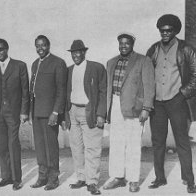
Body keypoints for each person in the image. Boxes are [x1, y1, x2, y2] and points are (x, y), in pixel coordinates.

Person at [146, 14, 196, 194]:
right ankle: (160, 178)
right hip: (157, 104)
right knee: (158, 142)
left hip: (177, 102)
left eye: (169, 30)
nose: (165, 33)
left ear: (175, 30)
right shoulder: (153, 49)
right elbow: (146, 75)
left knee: (182, 142)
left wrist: (182, 94)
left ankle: (189, 179)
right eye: (162, 30)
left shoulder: (186, 49)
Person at [103, 33, 155, 192]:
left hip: (135, 108)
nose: (123, 46)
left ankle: (133, 179)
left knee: (133, 144)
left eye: (127, 43)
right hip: (115, 105)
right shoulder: (111, 62)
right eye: (121, 43)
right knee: (116, 143)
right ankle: (118, 177)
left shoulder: (143, 61)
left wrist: (146, 108)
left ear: (132, 44)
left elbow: (149, 86)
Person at [62, 40, 106, 195]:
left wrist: (101, 114)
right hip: (72, 111)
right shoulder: (68, 70)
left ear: (84, 52)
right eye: (73, 53)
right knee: (76, 147)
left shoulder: (96, 68)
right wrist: (64, 115)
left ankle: (92, 181)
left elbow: (103, 92)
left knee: (92, 147)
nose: (76, 55)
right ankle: (81, 177)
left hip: (90, 111)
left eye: (79, 52)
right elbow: (64, 94)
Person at [0, 38, 29, 191]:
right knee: (2, 146)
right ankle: (6, 177)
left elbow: (25, 91)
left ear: (7, 49)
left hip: (13, 113)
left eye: (1, 49)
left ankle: (17, 179)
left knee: (13, 145)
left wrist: (24, 111)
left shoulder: (19, 66)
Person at [29, 35, 67, 191]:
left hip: (50, 113)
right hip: (36, 112)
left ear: (49, 45)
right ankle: (42, 176)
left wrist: (56, 112)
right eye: (37, 46)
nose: (40, 48)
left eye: (43, 45)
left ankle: (53, 178)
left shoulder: (58, 63)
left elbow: (61, 90)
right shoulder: (34, 64)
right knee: (39, 147)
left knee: (51, 147)